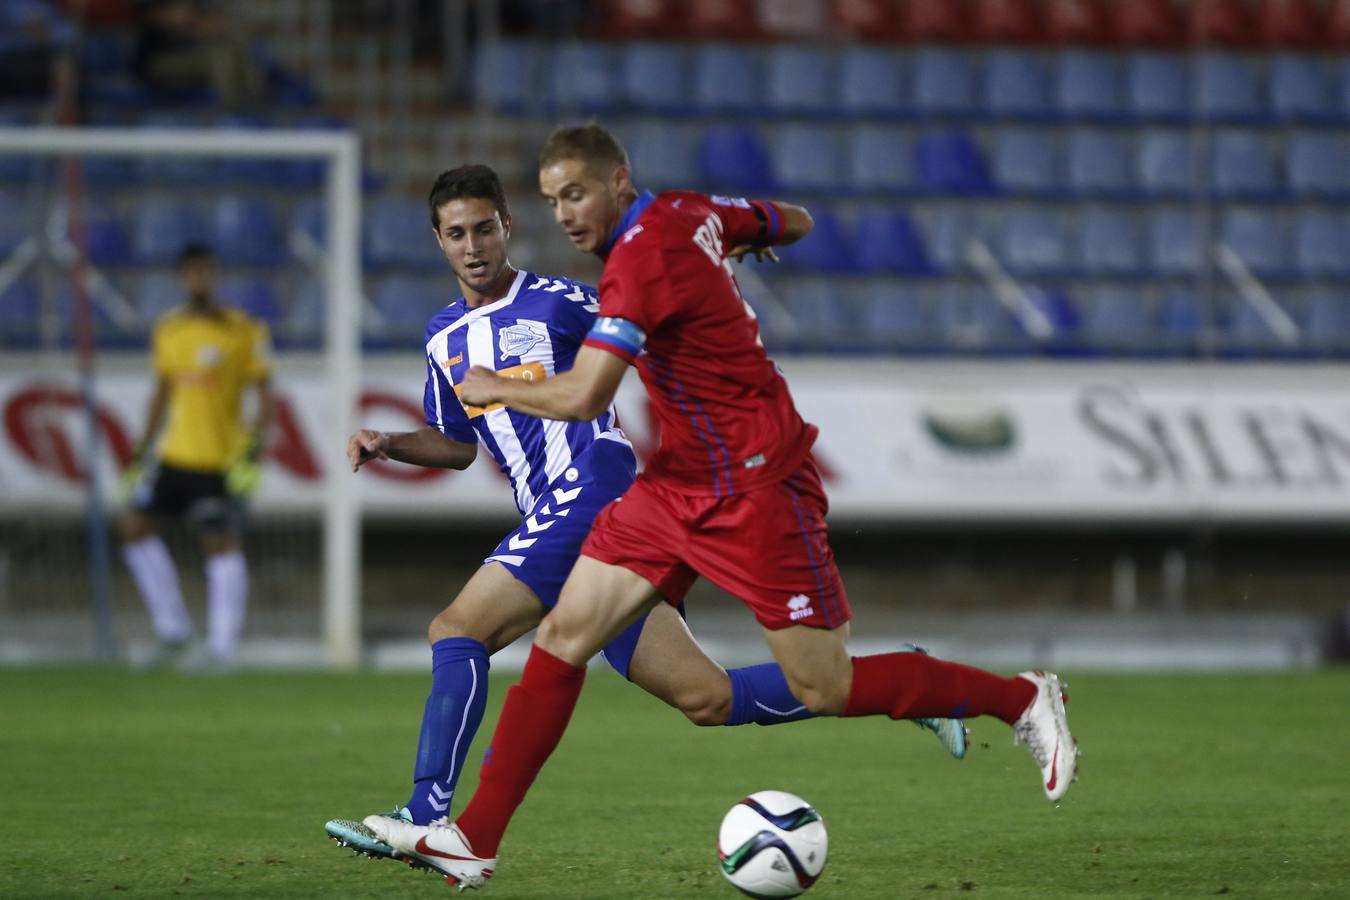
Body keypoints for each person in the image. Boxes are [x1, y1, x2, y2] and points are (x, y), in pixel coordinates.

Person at [362, 126, 1081, 889]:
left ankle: (1020, 698)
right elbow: (790, 219)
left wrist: (493, 385)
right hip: (674, 481)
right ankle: (473, 837)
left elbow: (586, 395)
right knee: (579, 640)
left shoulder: (636, 262)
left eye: (575, 194)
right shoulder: (691, 213)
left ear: (618, 181)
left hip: (755, 484)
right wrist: (740, 248)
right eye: (552, 200)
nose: (566, 216)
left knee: (821, 685)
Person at [119, 242, 272, 668]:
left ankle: (222, 648)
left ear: (216, 276)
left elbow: (265, 399)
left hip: (220, 461)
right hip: (174, 457)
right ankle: (174, 632)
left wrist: (252, 454)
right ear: (183, 278)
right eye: (193, 273)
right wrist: (141, 450)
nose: (200, 280)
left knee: (219, 544)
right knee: (133, 528)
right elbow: (162, 394)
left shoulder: (243, 330)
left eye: (207, 271)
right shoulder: (168, 330)